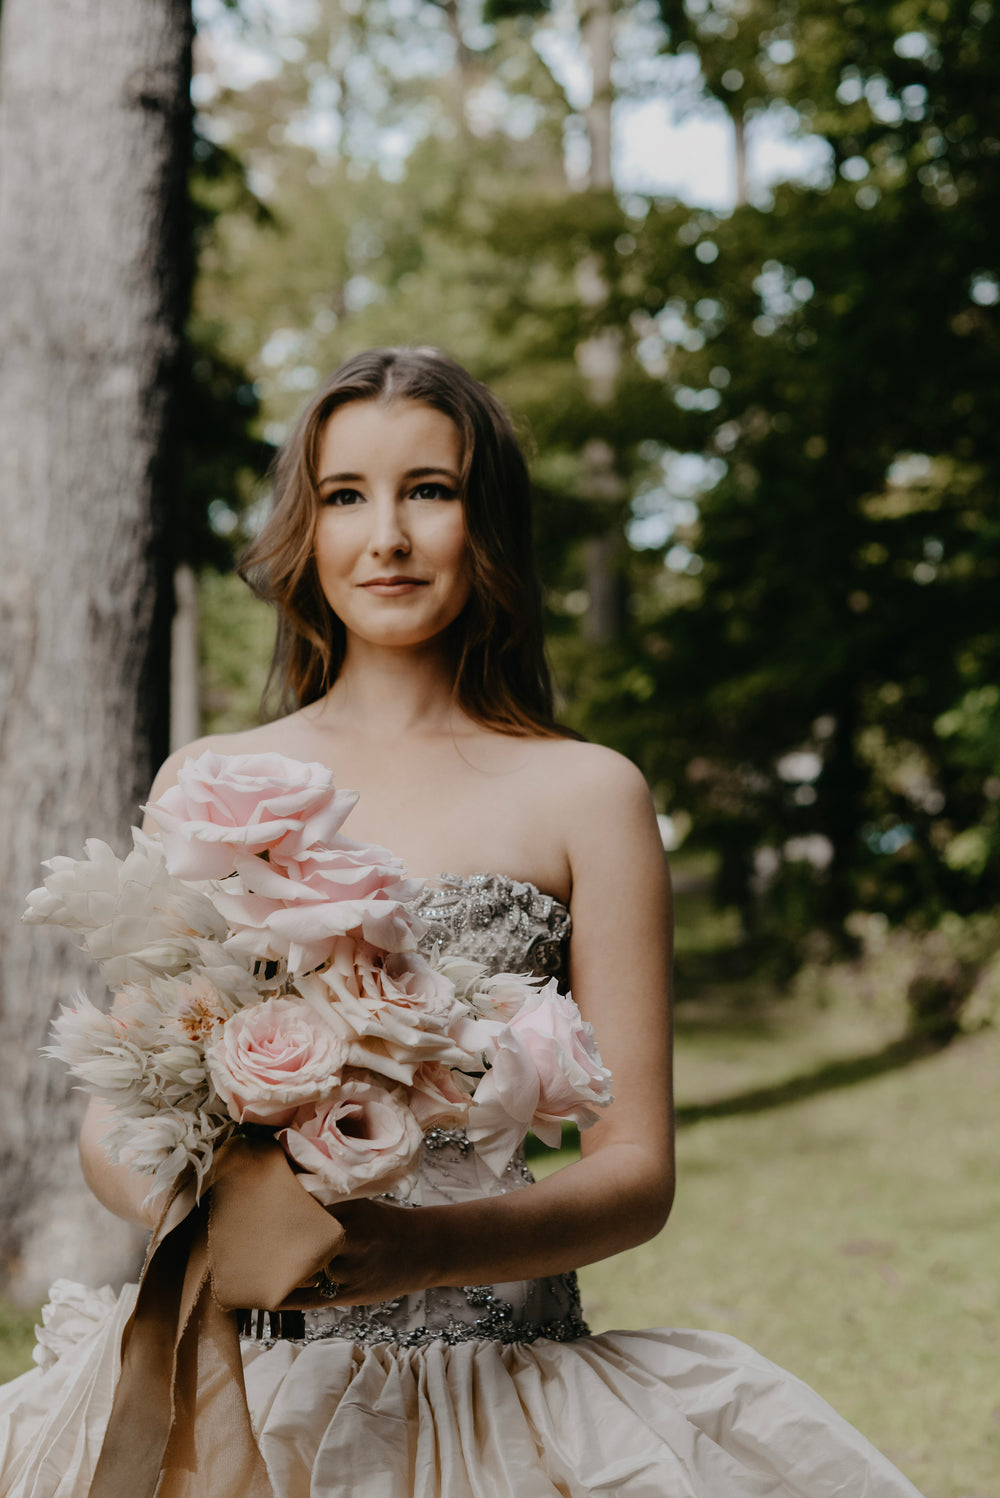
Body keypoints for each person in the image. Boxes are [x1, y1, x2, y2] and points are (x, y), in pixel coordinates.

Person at [0, 346, 923, 1497]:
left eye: (426, 490)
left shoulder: (588, 793)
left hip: (497, 1386)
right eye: (346, 496)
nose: (384, 535)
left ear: (485, 523)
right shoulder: (216, 782)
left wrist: (415, 1251)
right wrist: (225, 1229)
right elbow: (112, 1122)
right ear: (307, 528)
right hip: (246, 1384)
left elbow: (634, 1168)